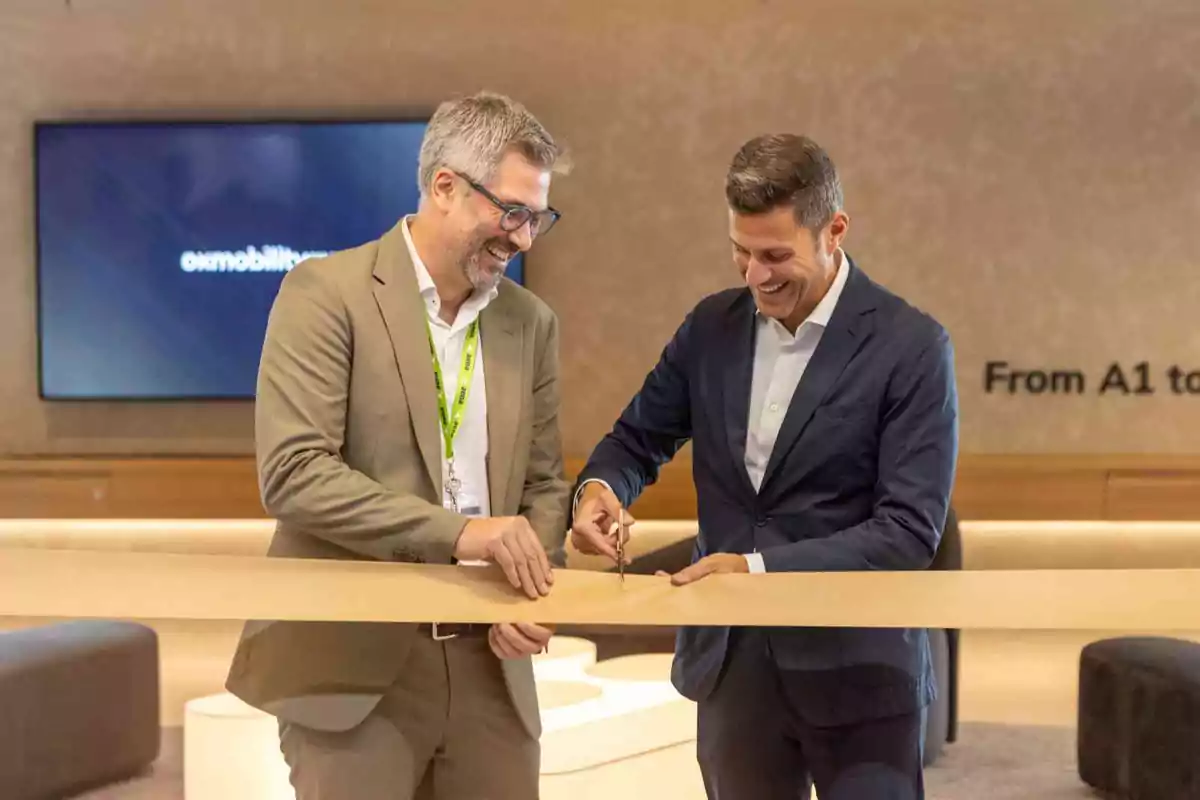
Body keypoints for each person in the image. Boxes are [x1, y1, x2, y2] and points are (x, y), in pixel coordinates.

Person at [571, 133, 959, 800]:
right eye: (740, 252)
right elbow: (636, 439)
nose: (755, 276)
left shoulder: (913, 346)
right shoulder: (710, 328)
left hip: (859, 672)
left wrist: (754, 570)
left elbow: (907, 533)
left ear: (834, 230)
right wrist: (601, 489)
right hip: (733, 672)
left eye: (776, 255)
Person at [225, 91, 572, 800]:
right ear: (444, 186)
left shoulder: (530, 323)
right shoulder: (324, 293)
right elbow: (295, 474)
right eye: (511, 212)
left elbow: (542, 485)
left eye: (537, 218)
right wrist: (464, 535)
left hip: (491, 669)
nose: (525, 238)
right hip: (351, 671)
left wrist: (538, 586)